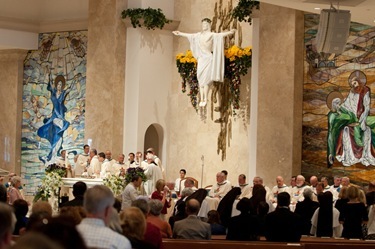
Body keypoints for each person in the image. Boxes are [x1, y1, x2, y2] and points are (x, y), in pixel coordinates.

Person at [172, 18, 236, 107]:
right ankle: (201, 98)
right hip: (201, 59)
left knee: (205, 80)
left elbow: (220, 35)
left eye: (205, 24)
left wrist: (229, 32)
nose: (203, 26)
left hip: (208, 58)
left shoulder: (211, 35)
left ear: (209, 25)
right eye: (202, 24)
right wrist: (180, 33)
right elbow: (190, 36)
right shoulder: (199, 35)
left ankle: (205, 98)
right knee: (200, 79)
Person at [327, 70, 375, 167]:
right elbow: (347, 103)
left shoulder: (365, 90)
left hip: (360, 115)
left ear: (359, 82)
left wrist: (363, 119)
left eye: (355, 83)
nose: (353, 86)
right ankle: (332, 153)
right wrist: (340, 107)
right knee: (336, 119)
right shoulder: (352, 92)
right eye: (352, 84)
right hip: (351, 114)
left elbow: (366, 107)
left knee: (364, 128)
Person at [37, 68, 80, 164]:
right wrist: (48, 75)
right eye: (58, 84)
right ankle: (50, 157)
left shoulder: (63, 94)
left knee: (59, 137)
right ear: (56, 85)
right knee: (54, 137)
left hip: (60, 117)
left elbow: (69, 89)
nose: (59, 86)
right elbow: (49, 84)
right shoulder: (53, 92)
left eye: (61, 84)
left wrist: (74, 80)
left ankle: (51, 157)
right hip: (53, 117)